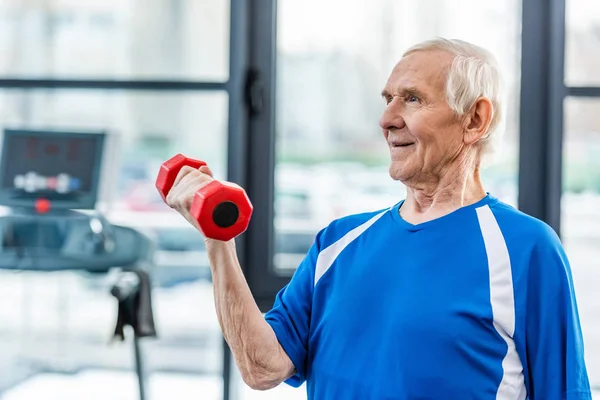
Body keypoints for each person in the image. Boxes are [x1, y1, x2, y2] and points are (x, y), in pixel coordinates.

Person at [166, 38, 592, 399]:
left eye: (412, 99)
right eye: (388, 99)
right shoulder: (338, 241)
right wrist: (217, 241)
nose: (387, 119)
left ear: (475, 119)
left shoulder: (525, 249)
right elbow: (262, 368)